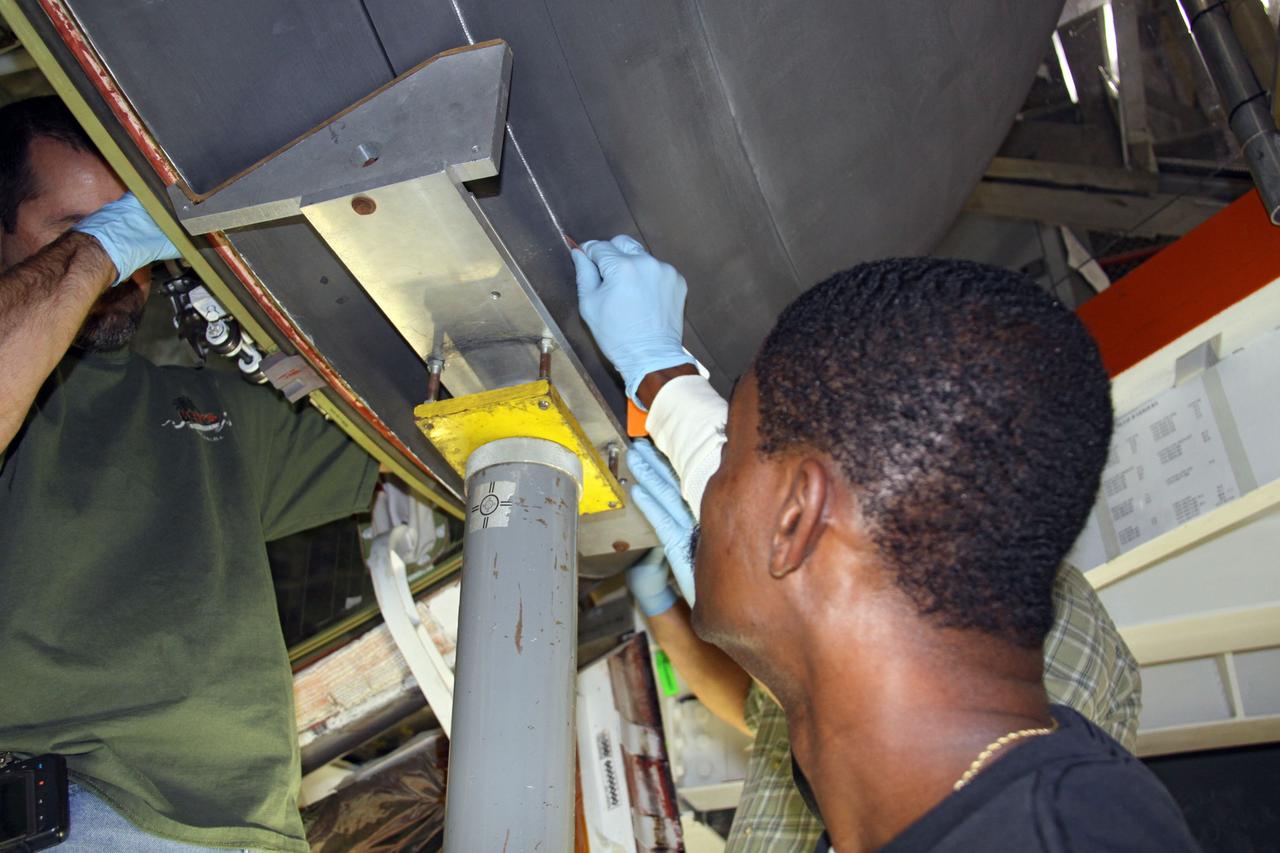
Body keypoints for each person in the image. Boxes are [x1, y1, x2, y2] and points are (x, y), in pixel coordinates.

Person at [573, 237, 1198, 851]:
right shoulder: (935, 771)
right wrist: (663, 378)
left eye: (728, 453)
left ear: (793, 524)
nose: (707, 488)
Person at [0, 96, 378, 852]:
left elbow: (427, 430)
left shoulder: (212, 412)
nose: (122, 262)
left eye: (136, 231)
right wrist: (104, 248)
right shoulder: (24, 421)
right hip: (82, 820)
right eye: (77, 230)